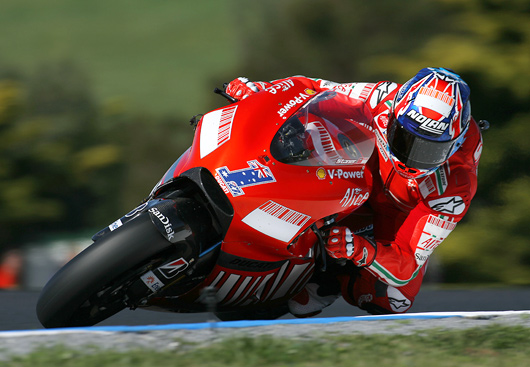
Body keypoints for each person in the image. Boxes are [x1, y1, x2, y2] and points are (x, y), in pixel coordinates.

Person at [224, 68, 486, 316]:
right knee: (309, 124)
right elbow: (313, 89)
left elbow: (406, 265)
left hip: (399, 213)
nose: (411, 158)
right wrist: (263, 93)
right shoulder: (382, 98)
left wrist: (360, 250)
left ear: (455, 144)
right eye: (404, 139)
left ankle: (330, 276)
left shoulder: (454, 188)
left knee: (393, 298)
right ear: (393, 116)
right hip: (357, 166)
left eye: (429, 151)